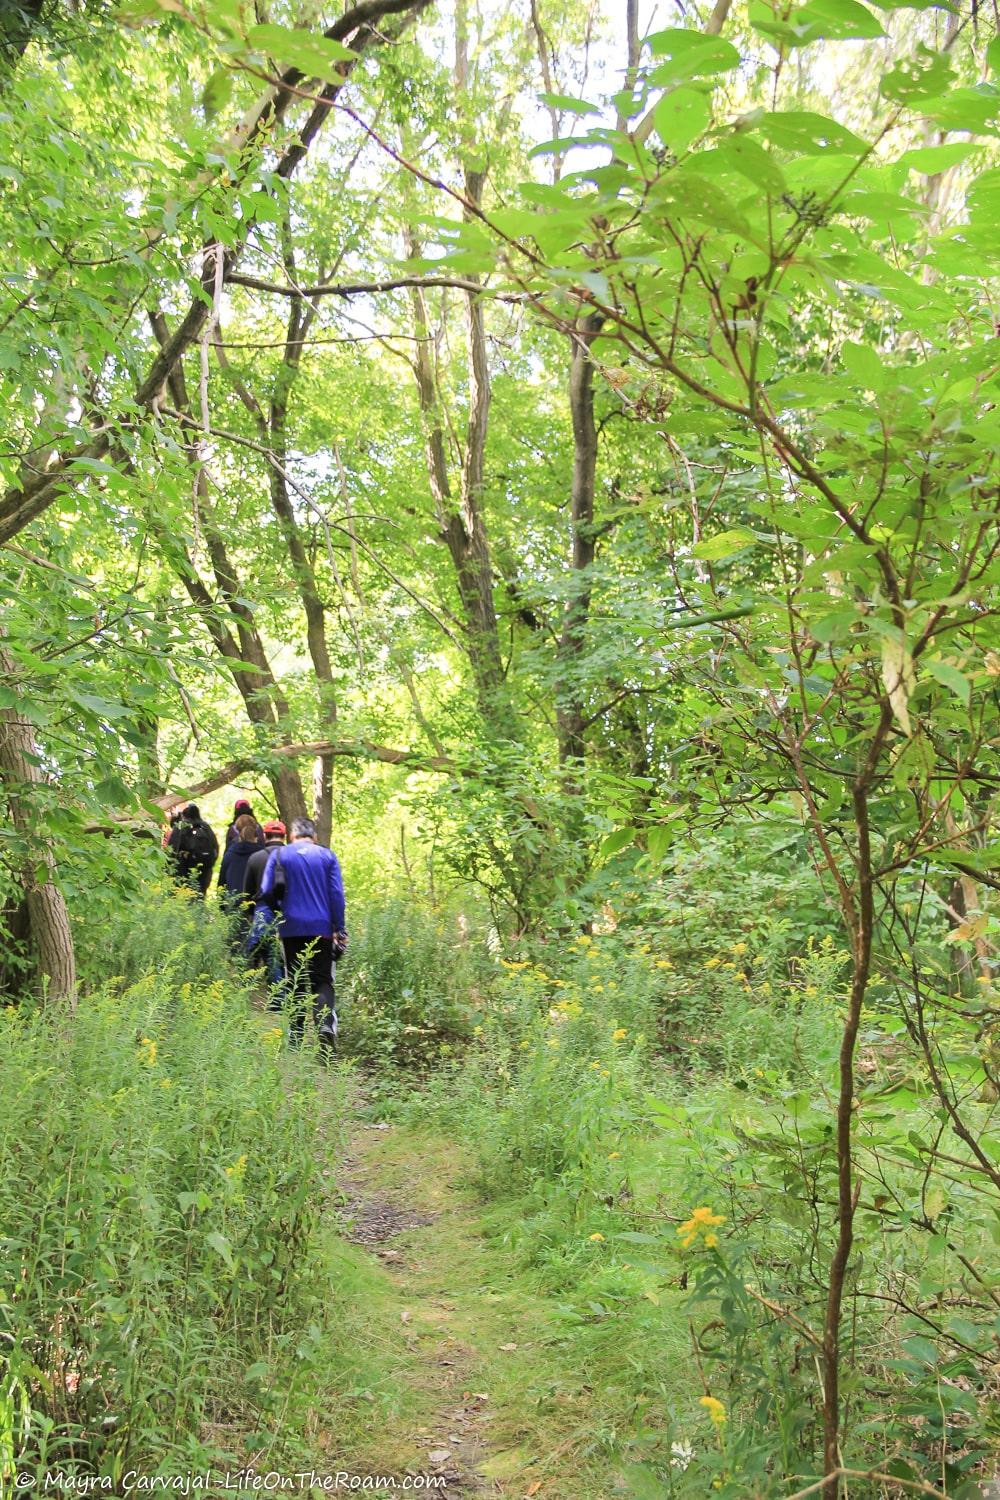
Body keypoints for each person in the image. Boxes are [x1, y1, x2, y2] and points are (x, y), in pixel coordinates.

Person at [259, 816, 346, 1054]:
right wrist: (339, 927)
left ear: (291, 836)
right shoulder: (327, 856)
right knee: (322, 980)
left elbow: (266, 890)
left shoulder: (280, 855)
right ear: (314, 836)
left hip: (291, 928)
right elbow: (336, 894)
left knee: (295, 980)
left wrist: (280, 909)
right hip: (322, 927)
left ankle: (296, 1038)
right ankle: (325, 1028)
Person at [244, 820, 288, 1003]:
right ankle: (282, 998)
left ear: (265, 836)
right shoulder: (293, 856)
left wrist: (250, 914)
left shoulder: (255, 858)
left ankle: (245, 981)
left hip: (264, 908)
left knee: (265, 947)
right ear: (284, 836)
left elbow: (247, 891)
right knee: (286, 952)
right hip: (290, 908)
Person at [217, 813, 263, 950]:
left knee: (236, 947)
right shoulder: (262, 854)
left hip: (234, 905)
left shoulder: (230, 854)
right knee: (258, 949)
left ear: (237, 830)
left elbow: (222, 882)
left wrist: (222, 905)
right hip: (257, 906)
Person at [166, 804, 218, 897]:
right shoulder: (206, 827)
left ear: (184, 815)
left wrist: (168, 870)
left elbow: (171, 849)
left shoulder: (180, 826)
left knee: (181, 900)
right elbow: (215, 850)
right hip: (204, 872)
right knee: (199, 899)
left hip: (182, 872)